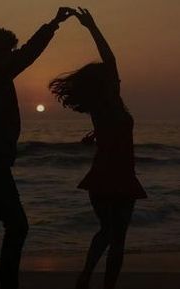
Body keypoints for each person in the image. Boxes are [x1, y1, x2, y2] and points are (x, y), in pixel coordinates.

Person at [0, 7, 74, 289]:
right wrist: (53, 24)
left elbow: (26, 54)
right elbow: (28, 54)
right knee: (16, 226)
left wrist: (53, 24)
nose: (12, 56)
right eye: (7, 52)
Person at [49, 7, 147, 289]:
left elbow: (110, 130)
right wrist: (92, 27)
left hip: (104, 177)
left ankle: (85, 277)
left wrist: (96, 135)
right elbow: (111, 59)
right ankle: (102, 284)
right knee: (117, 239)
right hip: (117, 177)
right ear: (106, 83)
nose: (117, 79)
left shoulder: (99, 107)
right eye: (112, 78)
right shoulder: (111, 102)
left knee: (107, 233)